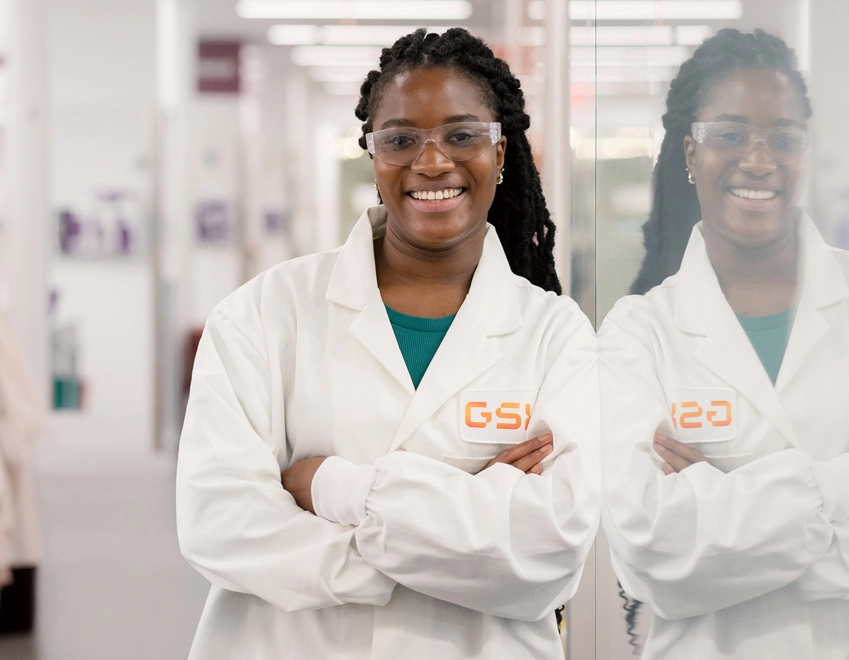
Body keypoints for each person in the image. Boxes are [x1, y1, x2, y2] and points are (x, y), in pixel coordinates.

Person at [176, 28, 599, 660]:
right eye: (400, 140)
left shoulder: (555, 335)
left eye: (462, 135)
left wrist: (333, 488)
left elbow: (551, 552)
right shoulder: (262, 314)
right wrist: (458, 547)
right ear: (373, 156)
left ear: (500, 151)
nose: (432, 163)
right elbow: (220, 523)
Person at [598, 28, 849, 659]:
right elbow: (649, 549)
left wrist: (744, 546)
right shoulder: (639, 335)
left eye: (784, 138)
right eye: (730, 134)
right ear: (690, 153)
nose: (758, 160)